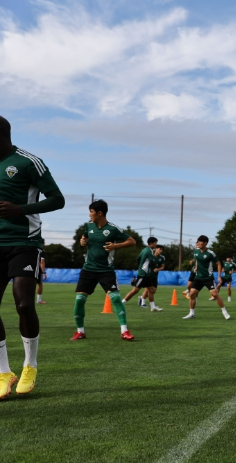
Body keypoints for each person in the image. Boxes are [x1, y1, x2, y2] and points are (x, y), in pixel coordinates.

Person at [0, 115, 65, 398]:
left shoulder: (28, 162)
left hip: (24, 242)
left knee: (25, 304)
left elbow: (57, 199)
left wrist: (19, 210)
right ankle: (4, 371)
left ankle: (30, 364)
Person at [71, 199, 137, 342]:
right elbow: (84, 239)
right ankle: (80, 331)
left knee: (116, 298)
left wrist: (115, 246)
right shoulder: (88, 226)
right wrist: (82, 241)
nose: (90, 215)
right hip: (88, 269)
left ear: (100, 213)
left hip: (106, 270)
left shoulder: (113, 229)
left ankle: (124, 331)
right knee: (79, 300)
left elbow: (132, 241)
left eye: (92, 212)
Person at [182, 236, 230, 320]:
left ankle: (224, 312)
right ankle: (191, 313)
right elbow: (196, 259)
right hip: (198, 277)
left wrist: (219, 276)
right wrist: (196, 266)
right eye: (198, 241)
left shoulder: (210, 253)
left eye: (200, 242)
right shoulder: (196, 251)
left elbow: (218, 263)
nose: (198, 243)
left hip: (208, 278)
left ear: (205, 243)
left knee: (215, 294)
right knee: (192, 294)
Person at [122, 236, 161, 312]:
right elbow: (152, 260)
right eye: (155, 243)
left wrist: (140, 265)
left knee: (151, 290)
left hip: (146, 274)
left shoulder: (144, 250)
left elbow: (138, 258)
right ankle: (122, 302)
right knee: (135, 291)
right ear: (151, 243)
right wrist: (155, 265)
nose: (156, 245)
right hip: (143, 274)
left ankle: (153, 307)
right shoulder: (149, 251)